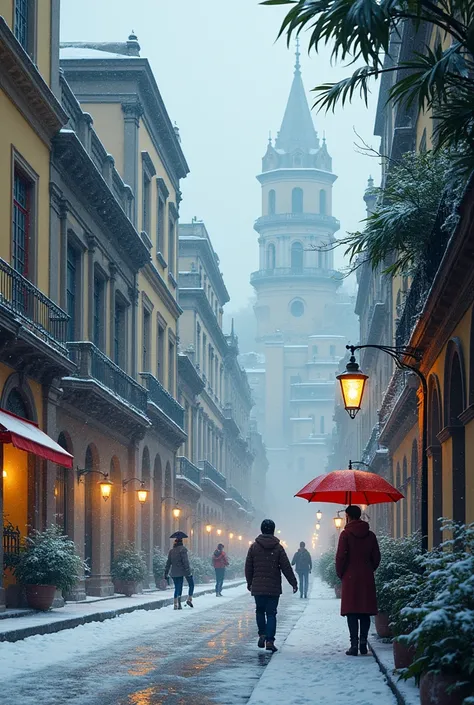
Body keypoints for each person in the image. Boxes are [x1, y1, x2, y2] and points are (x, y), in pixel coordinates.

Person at [245, 519, 298, 653]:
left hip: (258, 586)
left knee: (259, 611)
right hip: (273, 587)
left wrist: (249, 582)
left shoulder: (254, 547)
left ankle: (262, 634)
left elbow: (248, 567)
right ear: (273, 530)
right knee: (271, 613)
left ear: (261, 529)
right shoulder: (278, 548)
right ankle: (270, 640)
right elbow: (286, 567)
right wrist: (293, 582)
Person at [335, 505, 381, 656]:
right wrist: (369, 568)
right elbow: (376, 557)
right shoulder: (370, 535)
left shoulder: (345, 534)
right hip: (366, 576)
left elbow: (341, 556)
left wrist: (341, 573)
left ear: (347, 515)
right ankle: (363, 643)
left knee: (352, 612)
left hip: (350, 577)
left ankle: (353, 645)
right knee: (365, 611)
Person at [164, 538, 194, 609]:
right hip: (181, 571)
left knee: (177, 587)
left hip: (173, 572)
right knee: (180, 586)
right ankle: (181, 602)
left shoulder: (171, 551)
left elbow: (168, 563)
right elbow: (185, 562)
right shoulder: (183, 550)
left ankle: (176, 604)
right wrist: (188, 571)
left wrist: (166, 572)